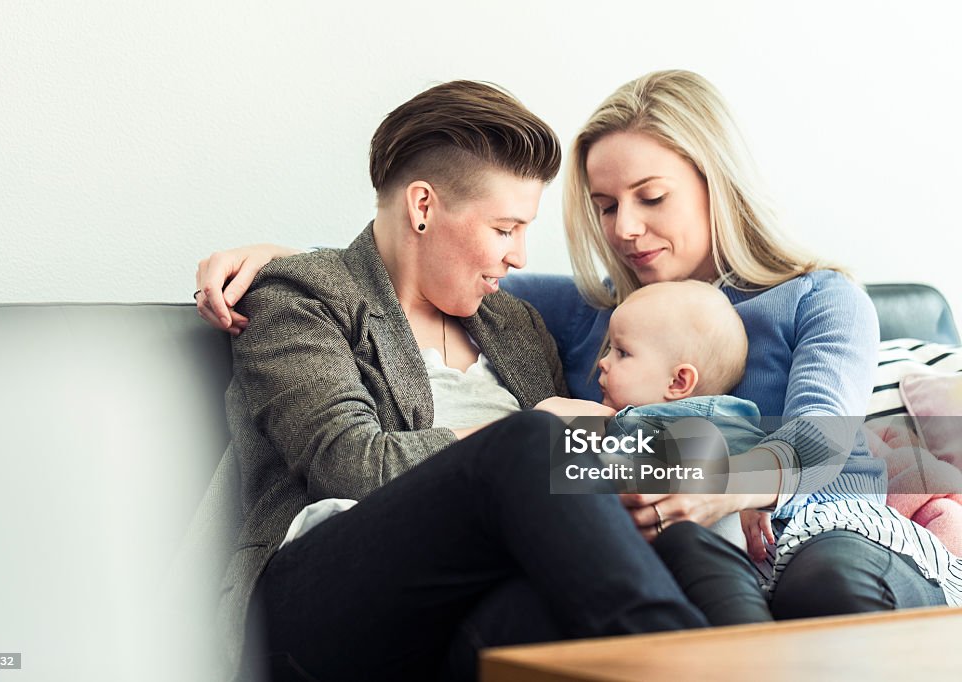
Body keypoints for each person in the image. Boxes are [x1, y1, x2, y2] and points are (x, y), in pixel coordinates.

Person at [200, 70, 958, 626]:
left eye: (650, 197)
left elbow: (821, 440)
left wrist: (717, 482)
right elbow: (415, 271)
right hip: (638, 545)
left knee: (819, 584)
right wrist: (286, 262)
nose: (625, 228)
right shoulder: (588, 309)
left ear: (714, 183)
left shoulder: (819, 297)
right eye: (604, 206)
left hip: (812, 527)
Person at [212, 79, 773, 682]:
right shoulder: (303, 296)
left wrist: (696, 479)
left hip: (471, 600)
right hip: (317, 602)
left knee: (653, 561)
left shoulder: (514, 321)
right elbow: (346, 463)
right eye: (505, 229)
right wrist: (523, 440)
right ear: (422, 207)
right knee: (532, 442)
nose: (521, 256)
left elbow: (843, 453)